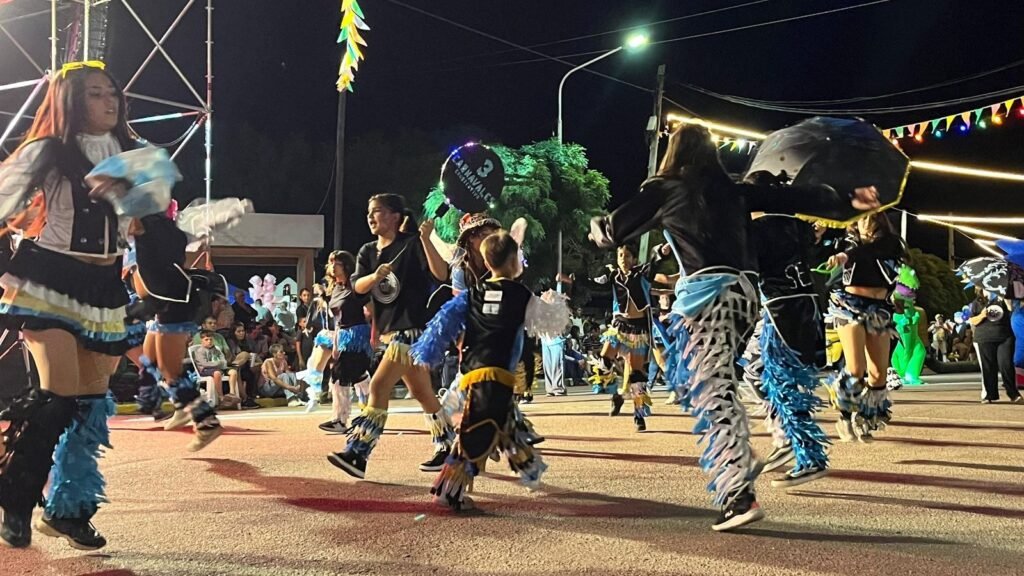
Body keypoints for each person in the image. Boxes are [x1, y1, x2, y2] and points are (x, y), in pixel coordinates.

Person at [588, 123, 880, 531]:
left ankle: (738, 494)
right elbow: (792, 197)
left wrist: (597, 227)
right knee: (712, 383)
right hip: (745, 297)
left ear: (674, 152)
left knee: (713, 393)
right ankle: (745, 455)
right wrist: (849, 202)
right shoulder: (735, 190)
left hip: (707, 298)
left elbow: (611, 232)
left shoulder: (665, 188)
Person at [0, 61, 187, 549]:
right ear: (71, 100)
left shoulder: (135, 154)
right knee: (57, 395)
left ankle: (68, 509)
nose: (109, 101)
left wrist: (137, 205)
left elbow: (158, 230)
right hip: (49, 278)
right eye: (95, 93)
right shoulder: (48, 149)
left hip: (104, 288)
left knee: (90, 405)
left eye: (113, 93)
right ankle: (15, 497)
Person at [409, 231, 566, 510]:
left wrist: (427, 355)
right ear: (513, 261)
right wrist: (555, 301)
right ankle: (448, 491)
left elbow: (441, 325)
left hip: (471, 373)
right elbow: (551, 321)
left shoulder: (472, 294)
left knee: (501, 420)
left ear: (486, 261)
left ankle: (526, 465)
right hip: (497, 375)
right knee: (477, 431)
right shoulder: (521, 295)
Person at [331, 193, 454, 479]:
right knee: (422, 393)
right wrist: (375, 277)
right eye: (369, 212)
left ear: (395, 216)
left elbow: (441, 274)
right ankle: (448, 446)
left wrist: (427, 239)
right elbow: (357, 287)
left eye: (377, 211)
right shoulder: (367, 252)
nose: (370, 217)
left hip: (412, 330)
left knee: (378, 385)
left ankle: (358, 451)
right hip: (391, 332)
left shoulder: (412, 244)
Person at [739, 207, 829, 489]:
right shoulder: (795, 225)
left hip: (784, 312)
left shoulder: (760, 229)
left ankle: (809, 457)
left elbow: (744, 268)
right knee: (754, 370)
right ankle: (785, 434)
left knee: (783, 383)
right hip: (799, 308)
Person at [575, 243, 674, 431]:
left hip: (639, 330)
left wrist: (662, 252)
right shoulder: (613, 276)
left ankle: (638, 415)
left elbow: (654, 263)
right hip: (620, 326)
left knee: (637, 375)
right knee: (603, 362)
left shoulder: (642, 273)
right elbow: (594, 286)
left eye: (627, 255)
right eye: (620, 255)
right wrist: (574, 279)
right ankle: (616, 395)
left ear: (634, 259)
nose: (623, 259)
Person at [826, 212, 905, 443]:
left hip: (879, 309)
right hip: (848, 306)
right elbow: (821, 253)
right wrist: (819, 236)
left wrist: (846, 256)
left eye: (872, 219)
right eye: (862, 218)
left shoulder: (890, 243)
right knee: (855, 368)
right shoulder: (845, 242)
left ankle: (866, 417)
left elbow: (873, 251)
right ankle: (844, 416)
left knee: (879, 373)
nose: (867, 223)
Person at [300, 250, 371, 433]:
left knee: (340, 376)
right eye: (330, 263)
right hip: (343, 335)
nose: (331, 266)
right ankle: (368, 411)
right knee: (355, 375)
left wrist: (375, 335)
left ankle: (340, 419)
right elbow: (338, 320)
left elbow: (372, 310)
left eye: (336, 263)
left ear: (345, 265)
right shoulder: (336, 288)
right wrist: (337, 343)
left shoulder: (355, 284)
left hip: (357, 336)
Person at [969, 290, 1022, 403]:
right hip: (985, 337)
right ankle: (990, 394)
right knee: (988, 367)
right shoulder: (977, 302)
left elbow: (1011, 310)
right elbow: (973, 321)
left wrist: (1006, 299)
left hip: (1004, 336)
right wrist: (982, 315)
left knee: (1006, 365)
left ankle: (1013, 393)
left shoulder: (1003, 297)